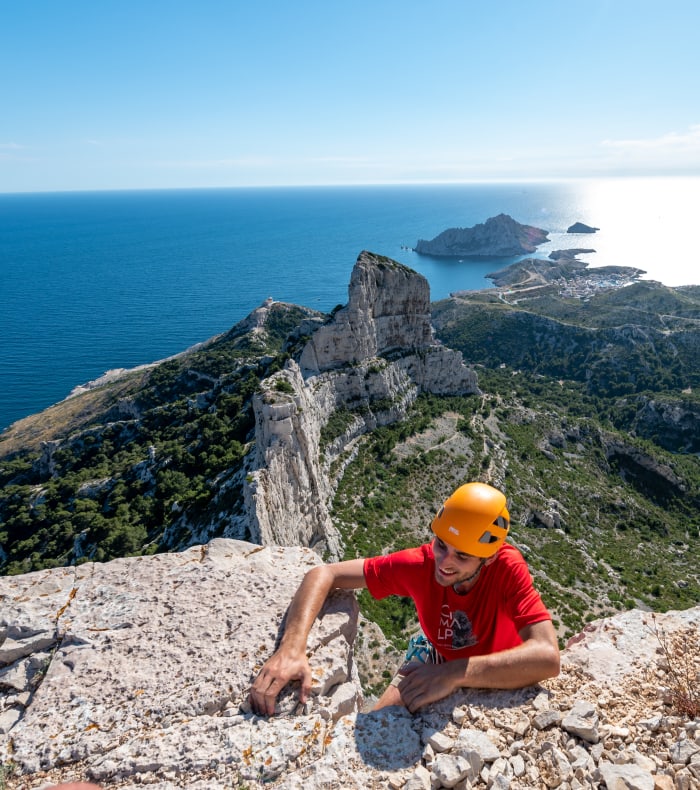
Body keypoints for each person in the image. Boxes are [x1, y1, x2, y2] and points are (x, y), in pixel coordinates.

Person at [249, 482, 560, 715]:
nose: (444, 562)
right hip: (436, 655)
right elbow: (324, 574)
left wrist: (453, 674)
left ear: (488, 559)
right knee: (377, 725)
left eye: (462, 556)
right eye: (441, 544)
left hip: (497, 665)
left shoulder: (506, 568)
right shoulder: (420, 564)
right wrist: (291, 647)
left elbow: (547, 656)